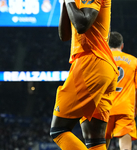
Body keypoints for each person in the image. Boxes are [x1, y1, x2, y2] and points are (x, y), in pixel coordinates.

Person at [50, 0, 119, 149]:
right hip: (102, 67)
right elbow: (65, 35)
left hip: (92, 62)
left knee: (59, 130)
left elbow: (82, 24)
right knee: (95, 139)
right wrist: (64, 4)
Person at [105, 31, 137, 150]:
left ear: (107, 44)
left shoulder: (101, 59)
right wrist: (136, 106)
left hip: (104, 109)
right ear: (122, 45)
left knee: (100, 146)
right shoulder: (134, 61)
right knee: (125, 148)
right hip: (125, 108)